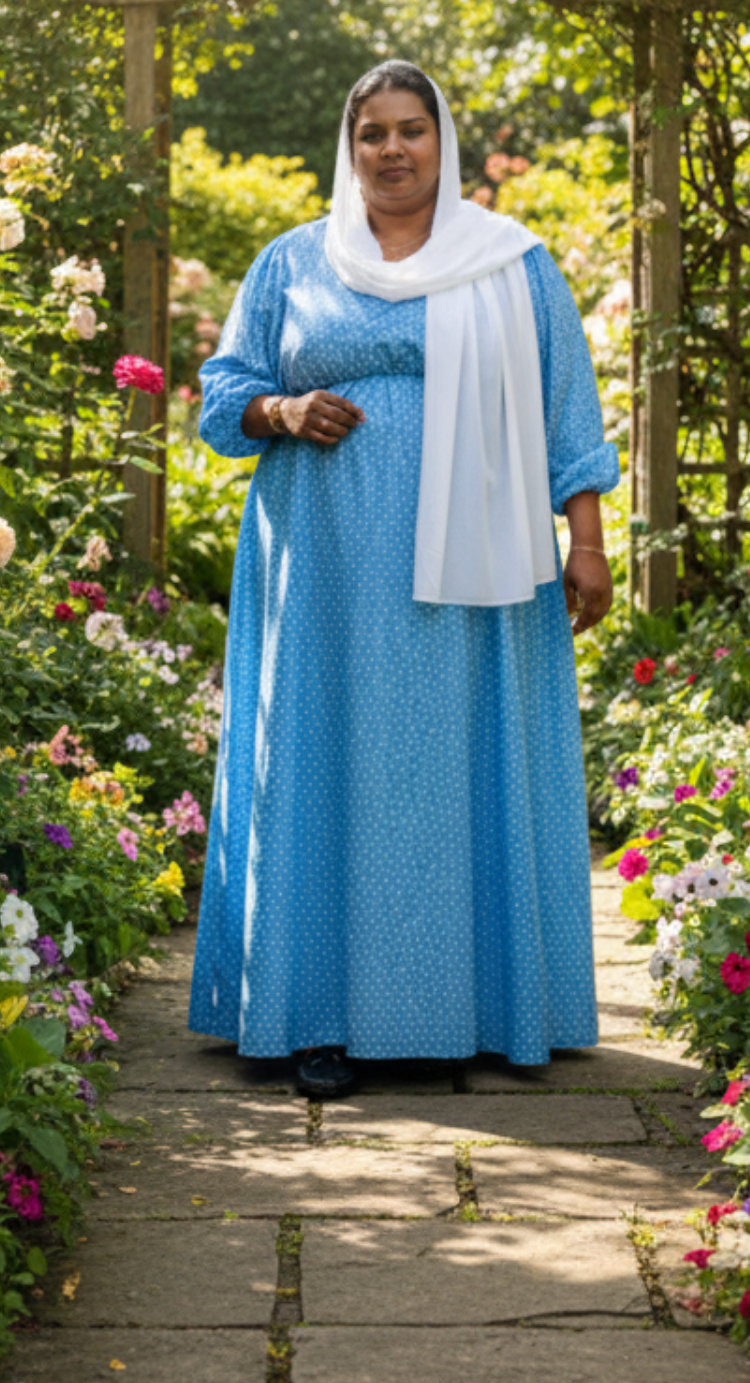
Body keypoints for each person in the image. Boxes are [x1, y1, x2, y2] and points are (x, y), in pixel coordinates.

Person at [188, 60, 619, 1098]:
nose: (390, 149)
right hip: (326, 571)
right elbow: (220, 398)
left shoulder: (510, 265)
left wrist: (588, 539)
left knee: (451, 764)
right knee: (326, 766)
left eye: (410, 129)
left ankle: (472, 1007)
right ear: (349, 147)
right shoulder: (292, 262)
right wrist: (282, 412)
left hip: (477, 577)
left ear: (442, 140)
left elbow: (568, 410)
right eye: (370, 132)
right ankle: (315, 1013)